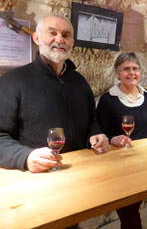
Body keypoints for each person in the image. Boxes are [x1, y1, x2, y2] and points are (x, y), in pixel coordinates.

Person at [0, 14, 109, 173]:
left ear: (72, 43)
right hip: (37, 178)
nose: (60, 39)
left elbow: (91, 121)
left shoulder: (80, 82)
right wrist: (25, 157)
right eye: (52, 33)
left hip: (82, 173)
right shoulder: (12, 82)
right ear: (37, 38)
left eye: (66, 35)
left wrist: (95, 135)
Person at [96, 52, 147, 229]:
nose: (131, 73)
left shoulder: (146, 95)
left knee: (133, 208)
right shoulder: (108, 99)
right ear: (117, 73)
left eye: (135, 69)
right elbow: (98, 131)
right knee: (129, 212)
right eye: (126, 69)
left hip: (144, 162)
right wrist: (112, 139)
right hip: (119, 165)